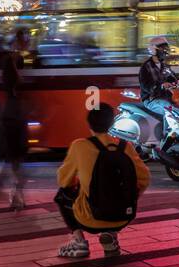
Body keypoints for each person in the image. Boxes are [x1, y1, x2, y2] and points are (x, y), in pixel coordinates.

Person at [55, 103, 150, 258]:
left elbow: (63, 181)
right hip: (122, 216)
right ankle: (111, 236)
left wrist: (81, 183)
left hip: (88, 218)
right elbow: (144, 178)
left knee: (62, 193)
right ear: (112, 123)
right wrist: (129, 197)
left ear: (89, 124)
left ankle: (79, 242)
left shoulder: (79, 146)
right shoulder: (125, 146)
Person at [0, 27, 30, 208]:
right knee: (16, 157)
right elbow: (15, 83)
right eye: (25, 39)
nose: (27, 43)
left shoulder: (11, 59)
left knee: (11, 157)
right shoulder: (13, 60)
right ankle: (15, 194)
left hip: (10, 115)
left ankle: (5, 188)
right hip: (15, 116)